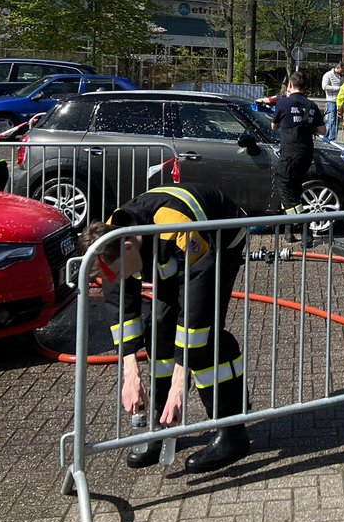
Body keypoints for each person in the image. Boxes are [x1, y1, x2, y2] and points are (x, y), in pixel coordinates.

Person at [85, 183, 251, 472]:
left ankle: (231, 433)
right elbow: (121, 309)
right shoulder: (111, 238)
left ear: (128, 248)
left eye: (118, 272)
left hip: (219, 243)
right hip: (171, 257)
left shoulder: (178, 228)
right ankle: (161, 427)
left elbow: (196, 309)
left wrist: (179, 385)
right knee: (159, 327)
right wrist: (131, 375)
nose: (117, 278)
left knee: (204, 340)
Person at [271, 72, 325, 216]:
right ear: (305, 86)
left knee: (284, 186)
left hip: (289, 154)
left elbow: (274, 126)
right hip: (306, 154)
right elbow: (322, 130)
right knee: (294, 188)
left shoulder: (283, 102)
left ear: (290, 85)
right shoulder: (312, 105)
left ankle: (301, 224)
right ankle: (289, 231)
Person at [320, 63, 344, 141]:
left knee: (337, 120)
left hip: (339, 101)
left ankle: (329, 137)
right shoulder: (327, 75)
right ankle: (330, 138)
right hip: (331, 100)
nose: (343, 72)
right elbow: (324, 87)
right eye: (342, 70)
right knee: (332, 120)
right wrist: (338, 88)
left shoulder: (341, 76)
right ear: (337, 68)